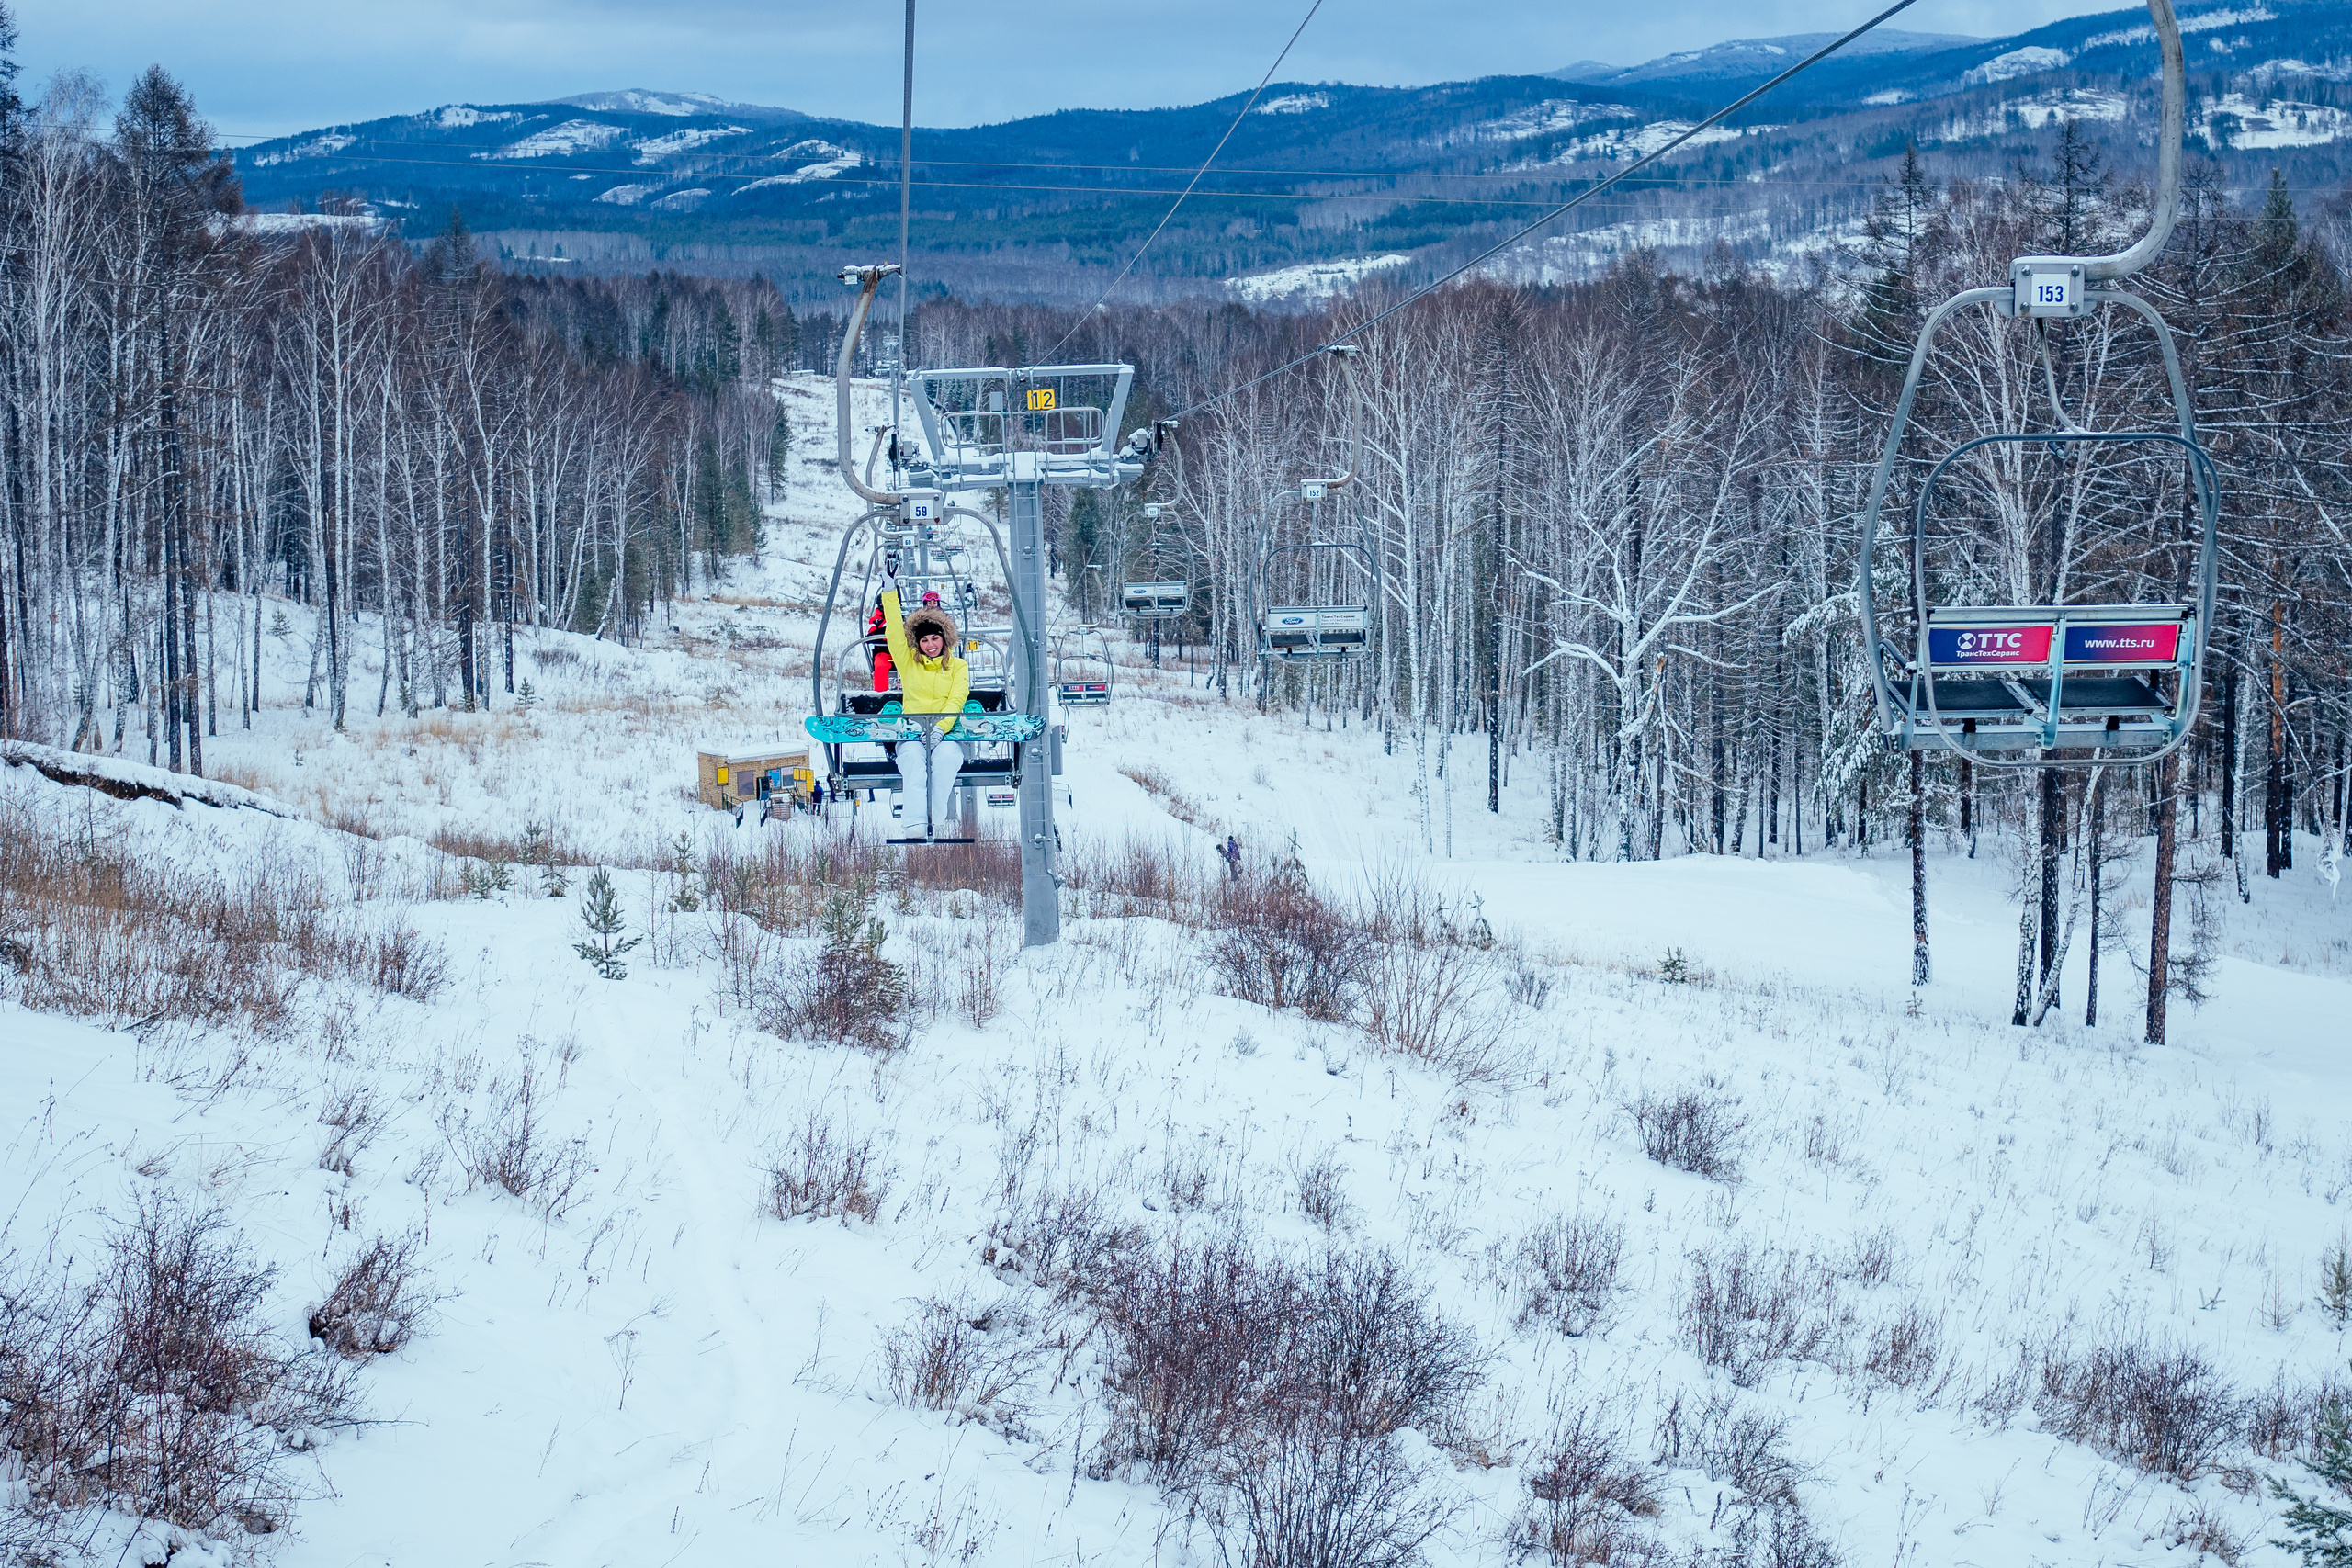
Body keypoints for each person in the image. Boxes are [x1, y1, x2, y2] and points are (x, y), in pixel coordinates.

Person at [880, 580, 970, 840]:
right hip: (913, 730)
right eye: (924, 640)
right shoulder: (909, 664)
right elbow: (895, 633)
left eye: (935, 638)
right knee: (912, 762)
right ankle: (914, 825)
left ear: (944, 639)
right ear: (917, 644)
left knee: (948, 759)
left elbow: (956, 700)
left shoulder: (958, 667)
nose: (930, 645)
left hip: (946, 731)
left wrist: (941, 729)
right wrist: (889, 593)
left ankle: (934, 818)